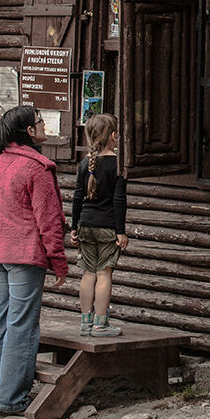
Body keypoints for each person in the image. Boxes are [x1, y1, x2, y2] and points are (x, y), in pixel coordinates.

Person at [0, 105, 69, 415]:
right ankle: (12, 398)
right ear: (30, 132)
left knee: (2, 321)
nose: (44, 125)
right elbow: (49, 220)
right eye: (40, 122)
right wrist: (58, 260)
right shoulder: (38, 168)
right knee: (22, 325)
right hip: (25, 254)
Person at [71, 113, 127, 337]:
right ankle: (100, 324)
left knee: (88, 273)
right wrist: (121, 231)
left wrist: (74, 227)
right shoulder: (118, 165)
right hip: (107, 226)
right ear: (114, 136)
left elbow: (77, 197)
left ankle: (85, 321)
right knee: (104, 274)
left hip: (86, 224)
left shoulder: (86, 163)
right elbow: (119, 201)